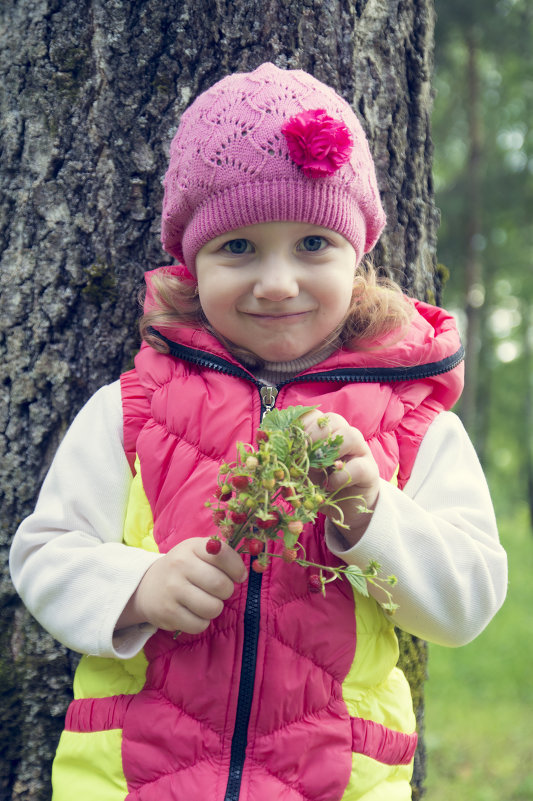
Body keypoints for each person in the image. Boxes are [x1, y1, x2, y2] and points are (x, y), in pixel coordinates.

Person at [9, 62, 507, 801]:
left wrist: (372, 513)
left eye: (312, 243)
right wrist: (139, 586)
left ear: (358, 253)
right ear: (192, 260)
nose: (276, 282)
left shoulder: (412, 423)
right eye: (237, 248)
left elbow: (467, 600)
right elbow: (43, 553)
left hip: (337, 781)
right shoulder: (135, 408)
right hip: (134, 777)